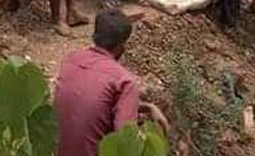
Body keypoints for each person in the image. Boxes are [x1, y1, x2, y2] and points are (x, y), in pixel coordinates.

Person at [54, 8, 169, 156]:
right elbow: (124, 144)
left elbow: (93, 102)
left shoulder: (71, 60)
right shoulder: (124, 82)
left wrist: (145, 107)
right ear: (122, 45)